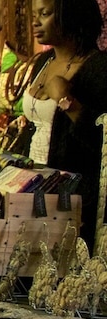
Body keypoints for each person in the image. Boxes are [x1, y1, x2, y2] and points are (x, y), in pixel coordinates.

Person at [21, 0, 107, 242]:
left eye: (45, 14)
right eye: (34, 14)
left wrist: (67, 101)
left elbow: (102, 139)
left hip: (72, 192)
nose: (35, 22)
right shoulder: (43, 61)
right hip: (32, 183)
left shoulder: (99, 68)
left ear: (71, 15)